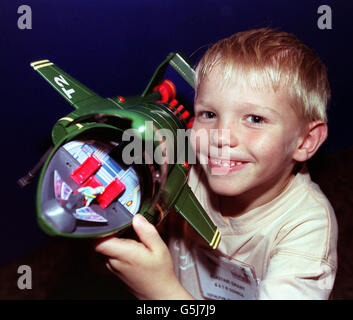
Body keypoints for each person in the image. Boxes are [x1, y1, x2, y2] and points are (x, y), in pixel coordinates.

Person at [94, 28, 338, 300]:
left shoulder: (307, 229)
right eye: (209, 114)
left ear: (305, 141)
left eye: (255, 119)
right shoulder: (189, 170)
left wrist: (158, 291)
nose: (220, 137)